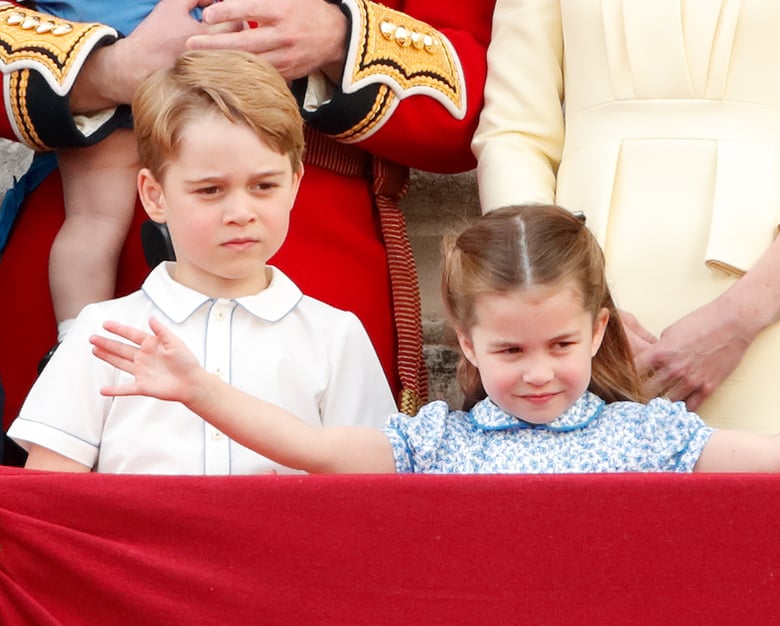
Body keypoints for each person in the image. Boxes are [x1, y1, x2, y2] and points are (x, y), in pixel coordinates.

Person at [87, 205, 780, 475]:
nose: (539, 372)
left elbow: (775, 457)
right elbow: (316, 447)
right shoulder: (434, 445)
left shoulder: (646, 435)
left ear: (600, 327)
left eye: (562, 344)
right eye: (513, 351)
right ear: (467, 343)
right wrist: (197, 386)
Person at [0, 0, 494, 435]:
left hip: (312, 247)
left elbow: (474, 98)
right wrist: (106, 70)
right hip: (89, 239)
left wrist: (339, 38)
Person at [471, 1, 780, 472]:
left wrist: (739, 320)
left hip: (773, 308)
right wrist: (565, 309)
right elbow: (512, 135)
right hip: (574, 321)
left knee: (776, 535)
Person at [8, 49, 396, 474]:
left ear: (294, 185)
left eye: (264, 185)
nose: (240, 212)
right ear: (154, 195)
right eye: (210, 190)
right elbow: (52, 496)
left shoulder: (335, 336)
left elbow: (372, 487)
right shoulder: (102, 333)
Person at [26, 2, 208, 359]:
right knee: (204, 193)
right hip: (174, 73)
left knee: (92, 221)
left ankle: (74, 343)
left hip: (92, 63)